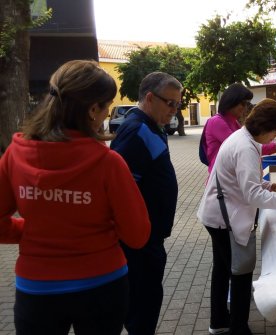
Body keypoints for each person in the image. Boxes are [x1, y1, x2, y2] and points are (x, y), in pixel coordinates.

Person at [0, 60, 151, 334]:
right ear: (92, 109)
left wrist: (30, 229)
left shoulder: (15, 153)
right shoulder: (108, 162)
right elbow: (137, 234)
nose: (107, 113)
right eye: (106, 106)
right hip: (101, 284)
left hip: (36, 287)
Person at [197, 99, 276, 335]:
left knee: (222, 269)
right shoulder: (245, 148)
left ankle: (219, 321)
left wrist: (267, 186)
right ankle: (238, 328)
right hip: (225, 218)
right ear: (265, 126)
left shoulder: (242, 138)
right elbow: (252, 195)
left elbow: (241, 181)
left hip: (217, 214)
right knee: (240, 274)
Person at [110, 72, 181, 335]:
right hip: (139, 242)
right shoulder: (137, 130)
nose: (174, 110)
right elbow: (117, 188)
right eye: (170, 103)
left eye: (178, 105)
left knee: (146, 304)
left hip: (148, 238)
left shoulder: (151, 126)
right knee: (143, 308)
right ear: (150, 98)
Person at [201, 83, 276, 174]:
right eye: (243, 103)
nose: (245, 108)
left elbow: (251, 144)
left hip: (232, 176)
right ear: (232, 101)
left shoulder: (234, 122)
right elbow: (243, 147)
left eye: (247, 104)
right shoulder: (217, 121)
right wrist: (275, 146)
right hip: (221, 180)